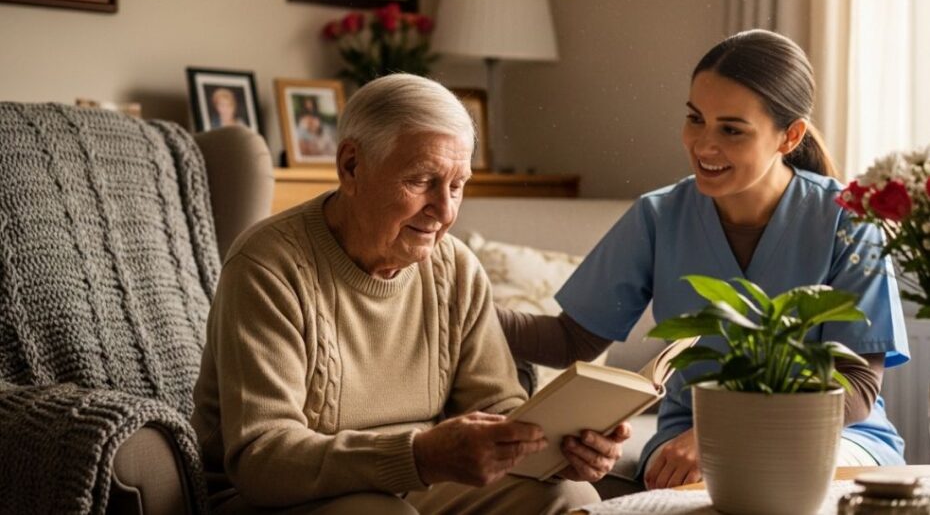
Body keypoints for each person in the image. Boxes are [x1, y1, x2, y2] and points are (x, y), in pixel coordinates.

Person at [191, 74, 630, 514]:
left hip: (415, 483)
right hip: (274, 497)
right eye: (422, 180)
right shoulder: (268, 267)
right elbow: (263, 460)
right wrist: (419, 456)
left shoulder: (455, 268)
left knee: (569, 497)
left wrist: (558, 452)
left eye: (457, 185)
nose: (445, 211)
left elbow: (497, 405)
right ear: (351, 167)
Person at [498, 29, 910, 490]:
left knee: (772, 474)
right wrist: (454, 309)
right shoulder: (658, 216)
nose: (703, 145)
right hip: (687, 435)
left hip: (834, 436)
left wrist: (724, 435)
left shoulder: (850, 220)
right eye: (696, 119)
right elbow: (571, 341)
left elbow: (856, 384)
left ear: (789, 136)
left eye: (731, 129)